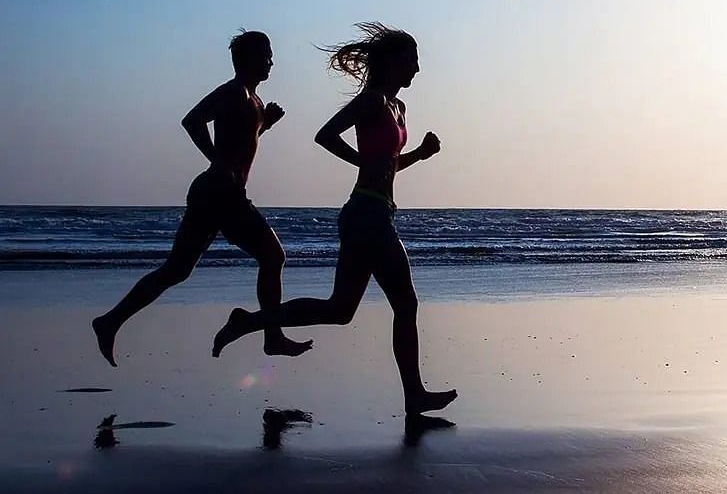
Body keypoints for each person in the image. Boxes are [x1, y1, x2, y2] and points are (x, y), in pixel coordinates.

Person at [212, 23, 457, 415]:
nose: (417, 69)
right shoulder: (373, 101)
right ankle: (414, 395)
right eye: (412, 61)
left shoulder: (399, 107)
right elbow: (325, 135)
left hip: (374, 212)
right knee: (406, 304)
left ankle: (250, 321)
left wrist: (419, 155)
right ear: (393, 62)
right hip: (367, 216)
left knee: (339, 311)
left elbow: (387, 166)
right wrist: (364, 162)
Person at [92, 31, 312, 366]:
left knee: (176, 270)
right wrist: (217, 161)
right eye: (266, 55)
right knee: (272, 257)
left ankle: (110, 321)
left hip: (218, 194)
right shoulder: (232, 92)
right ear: (247, 59)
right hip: (219, 194)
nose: (271, 61)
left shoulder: (252, 100)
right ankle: (273, 337)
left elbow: (239, 141)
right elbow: (192, 120)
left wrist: (265, 124)